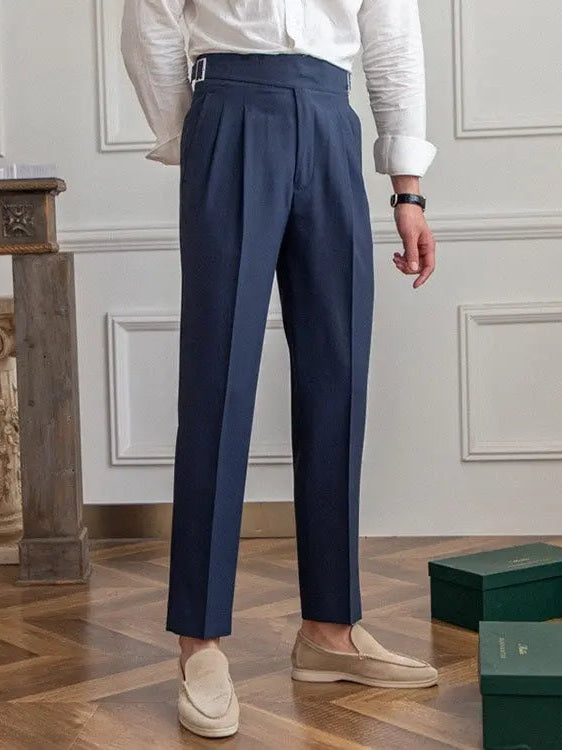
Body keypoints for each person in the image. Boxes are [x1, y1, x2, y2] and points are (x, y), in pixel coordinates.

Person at [121, 0, 438, 739]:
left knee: (337, 378)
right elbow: (150, 20)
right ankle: (200, 643)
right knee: (218, 383)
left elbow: (393, 44)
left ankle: (330, 631)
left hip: (330, 118)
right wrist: (192, 133)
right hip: (229, 111)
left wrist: (408, 188)